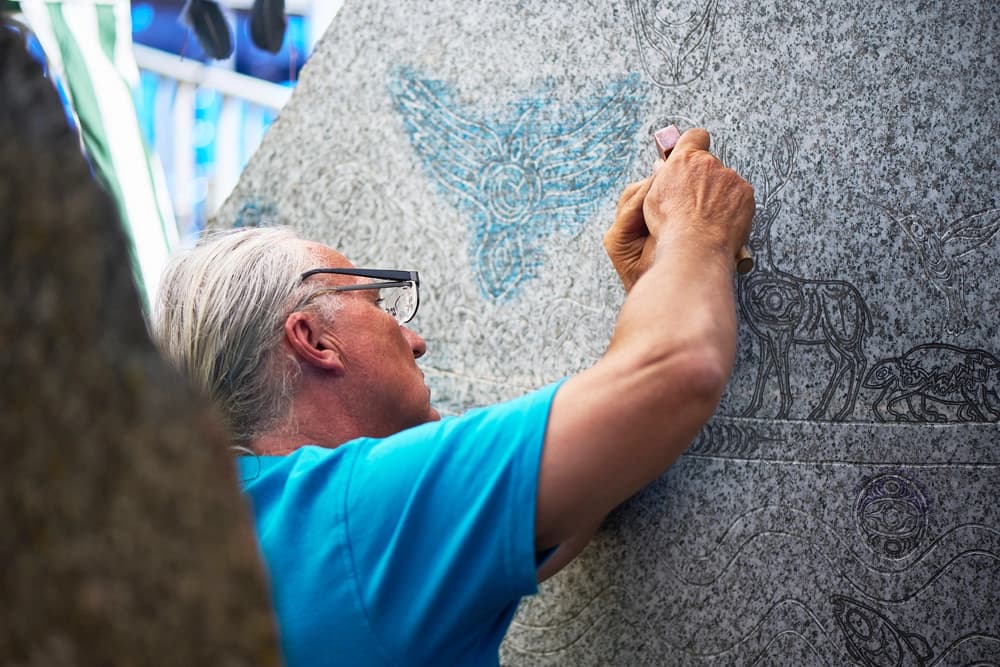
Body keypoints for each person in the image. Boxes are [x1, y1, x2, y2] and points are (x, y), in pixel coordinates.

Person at [152, 129, 754, 665]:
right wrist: (696, 230)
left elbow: (584, 480)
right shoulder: (355, 515)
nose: (414, 340)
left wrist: (658, 286)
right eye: (381, 305)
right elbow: (676, 374)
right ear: (312, 340)